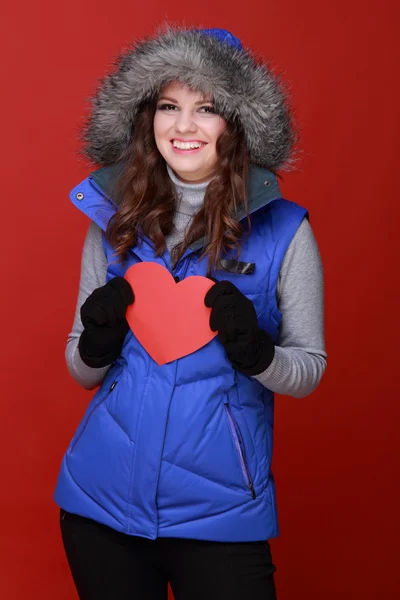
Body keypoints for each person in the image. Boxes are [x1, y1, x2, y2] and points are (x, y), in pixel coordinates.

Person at [54, 26, 327, 600]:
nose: (183, 127)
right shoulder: (112, 221)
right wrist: (96, 343)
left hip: (221, 515)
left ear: (237, 122)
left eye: (206, 108)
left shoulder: (286, 231)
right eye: (168, 106)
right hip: (98, 507)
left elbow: (308, 369)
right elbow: (81, 371)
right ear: (144, 117)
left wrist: (257, 353)